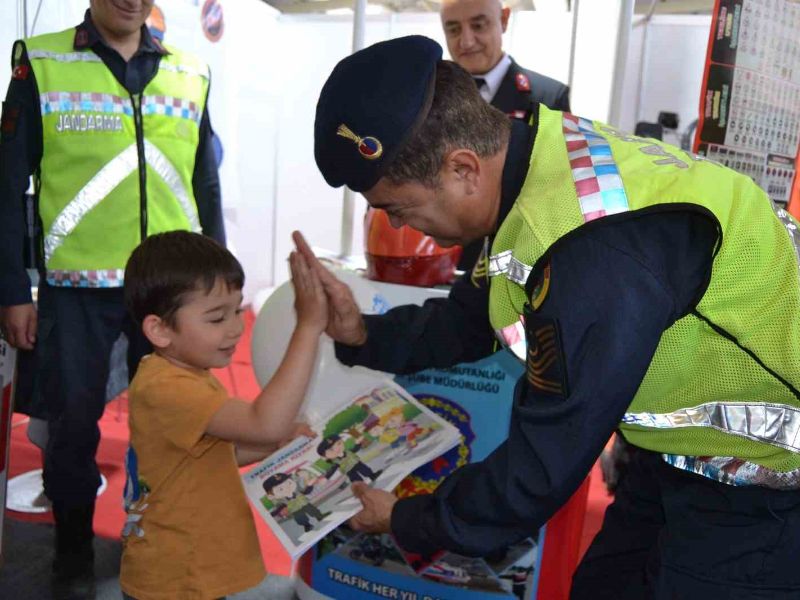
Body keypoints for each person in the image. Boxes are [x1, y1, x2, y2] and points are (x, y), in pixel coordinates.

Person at [298, 35, 800, 598]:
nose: (406, 230)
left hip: (769, 486)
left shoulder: (593, 253)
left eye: (401, 210)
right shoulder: (536, 164)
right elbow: (478, 313)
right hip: (679, 464)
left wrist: (407, 518)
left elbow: (538, 471)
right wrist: (361, 333)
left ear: (462, 167)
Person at [0, 1, 224, 596]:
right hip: (76, 289)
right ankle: (72, 555)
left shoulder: (191, 70)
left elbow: (205, 180)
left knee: (179, 421)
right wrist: (11, 289)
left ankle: (168, 543)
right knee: (73, 429)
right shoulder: (42, 61)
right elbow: (6, 184)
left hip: (169, 288)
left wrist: (218, 279)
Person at [120, 230, 326, 599]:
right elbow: (265, 423)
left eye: (237, 310)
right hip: (177, 580)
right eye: (217, 318)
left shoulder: (186, 374)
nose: (235, 328)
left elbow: (216, 454)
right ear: (160, 329)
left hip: (193, 570)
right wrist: (308, 327)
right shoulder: (167, 388)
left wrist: (279, 443)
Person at [439, 0, 571, 269]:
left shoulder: (546, 97)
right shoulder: (429, 98)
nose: (466, 41)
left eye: (478, 25)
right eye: (453, 29)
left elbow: (555, 191)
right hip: (440, 257)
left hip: (513, 260)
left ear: (504, 20)